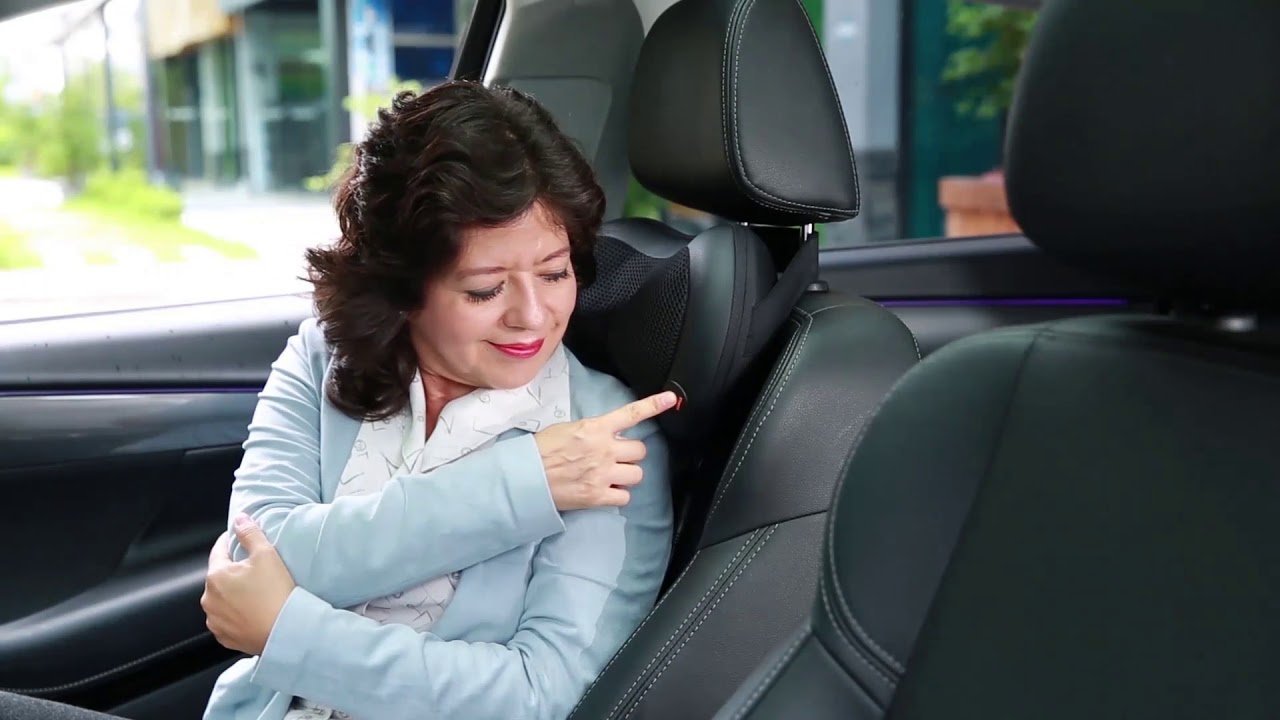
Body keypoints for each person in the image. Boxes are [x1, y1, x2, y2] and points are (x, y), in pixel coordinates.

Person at [0, 81, 674, 720]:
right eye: (484, 289)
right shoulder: (325, 355)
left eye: (555, 273)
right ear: (403, 285)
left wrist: (287, 632)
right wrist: (517, 486)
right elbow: (254, 559)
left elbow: (543, 697)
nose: (532, 315)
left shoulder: (606, 440)